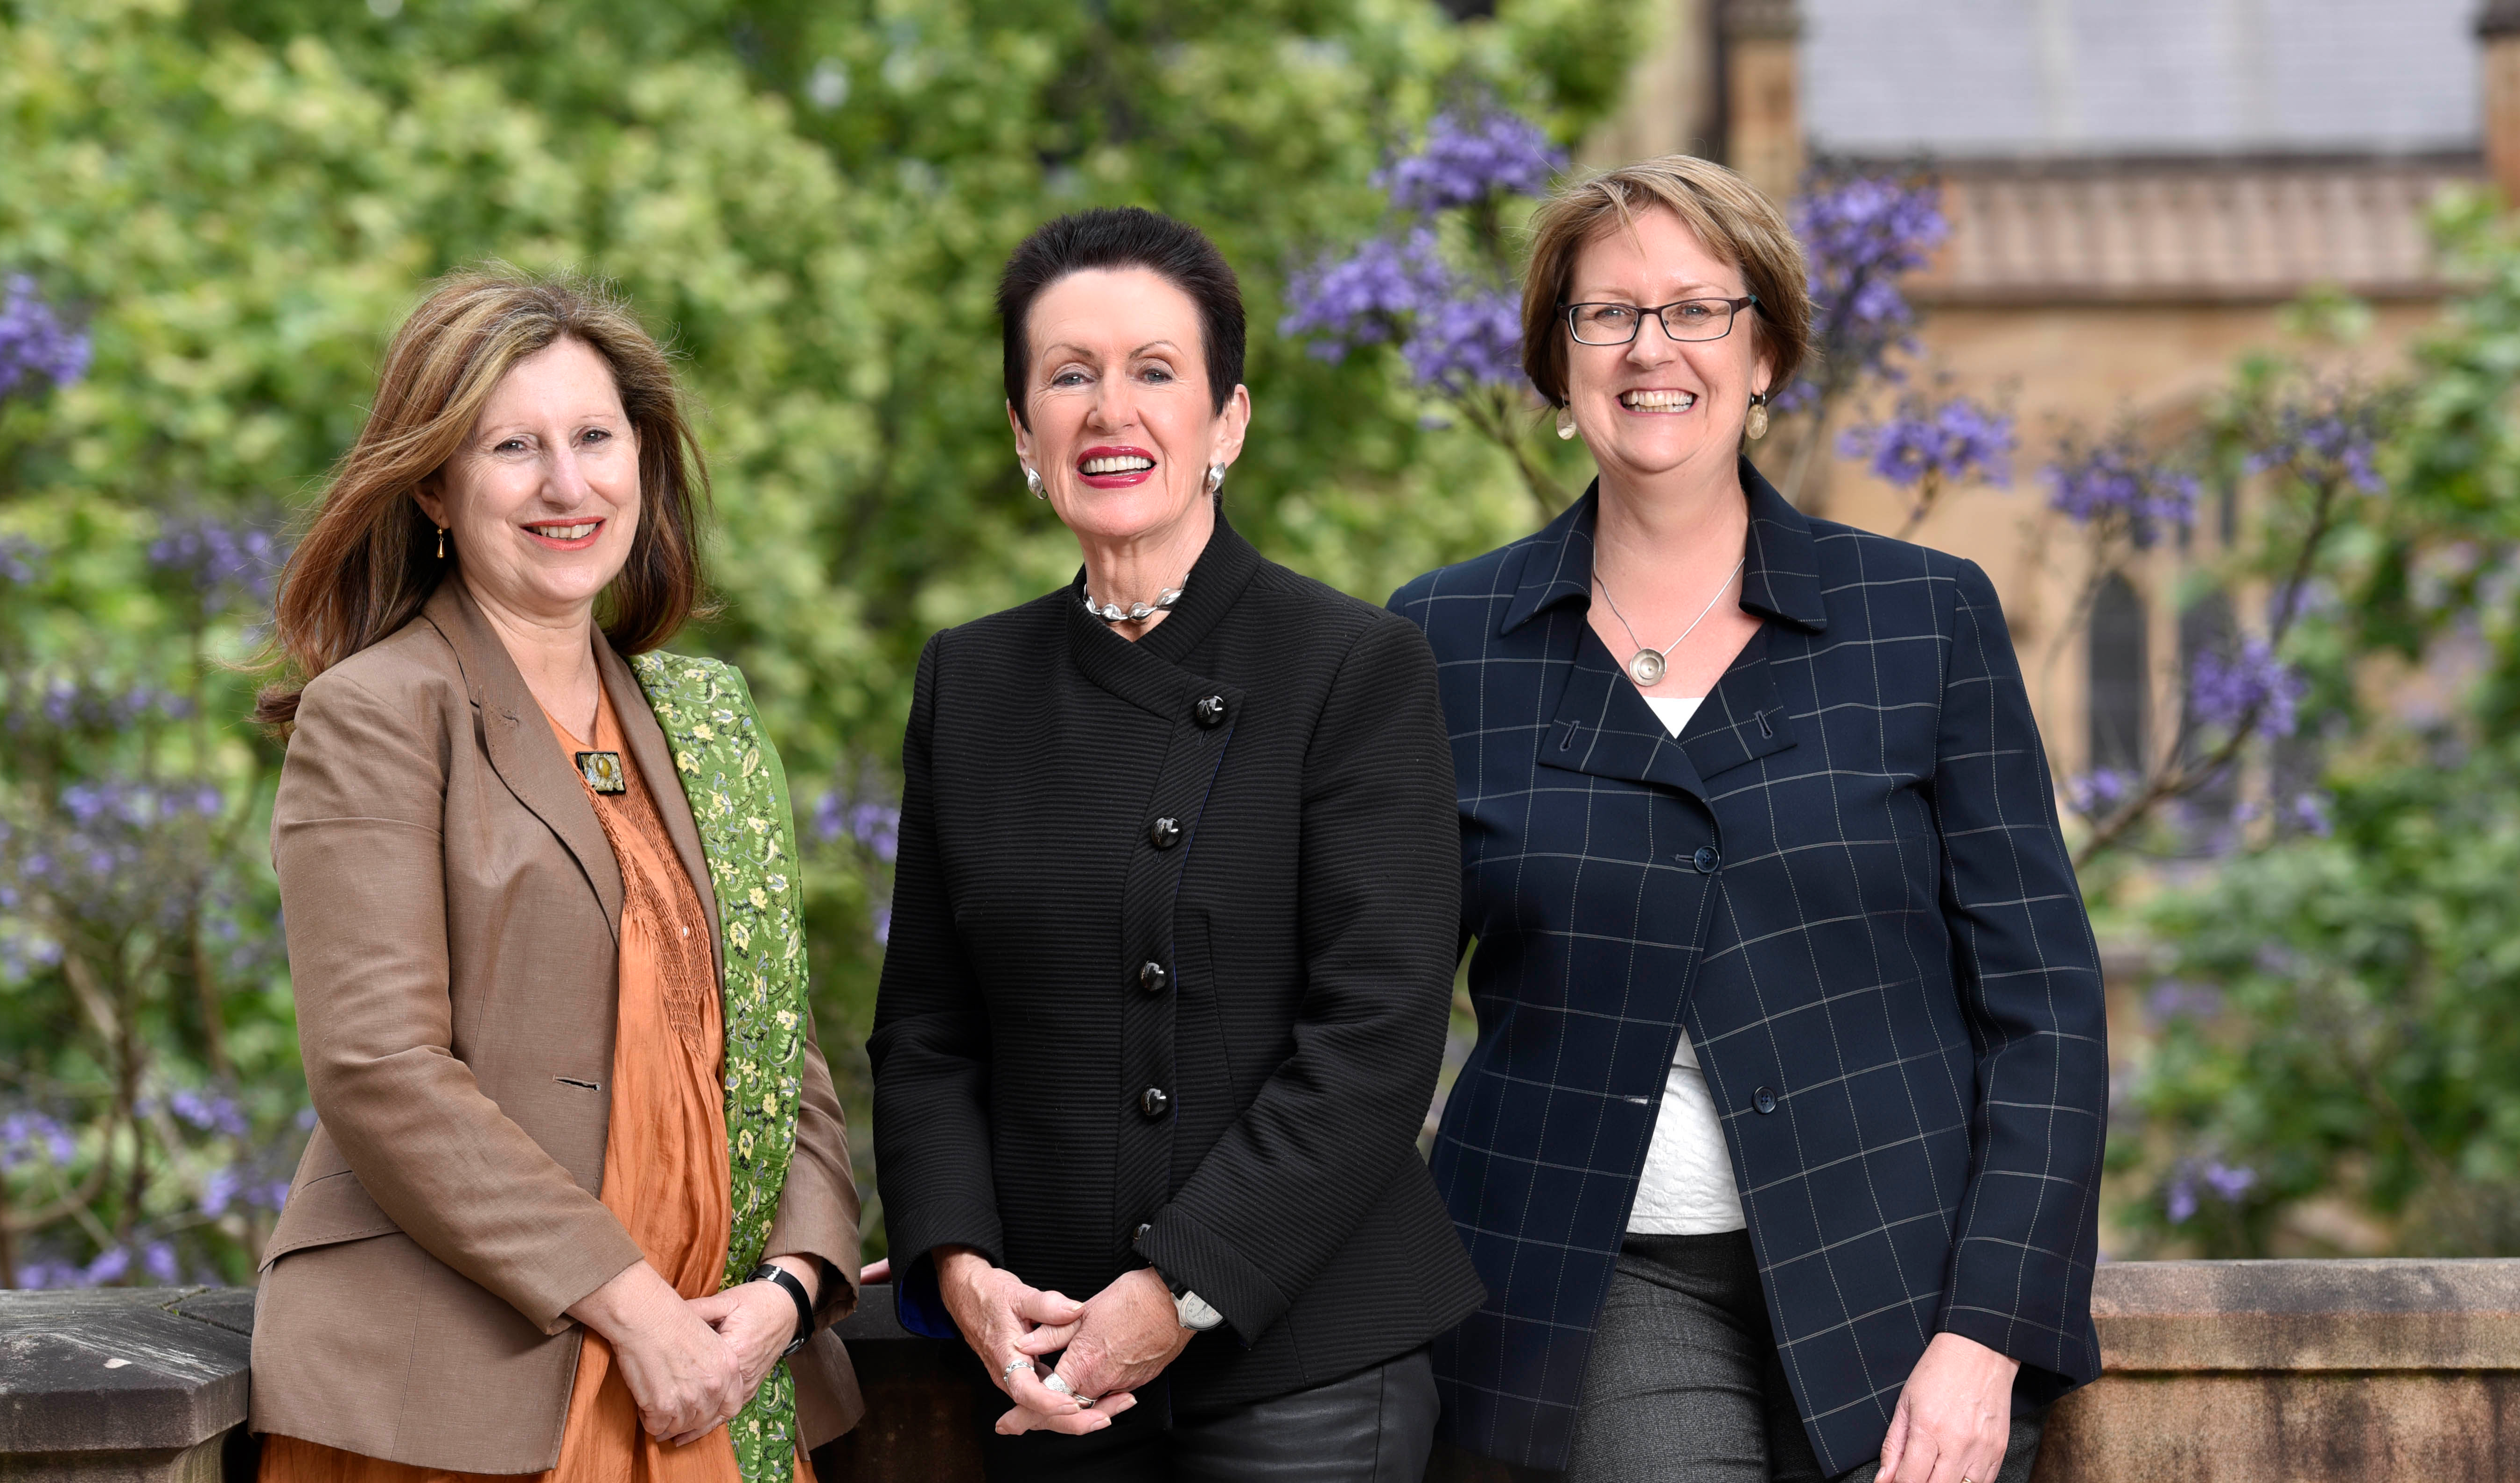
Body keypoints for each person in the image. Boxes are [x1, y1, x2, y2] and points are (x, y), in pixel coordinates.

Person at [1390, 155, 2108, 1483]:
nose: (1649, 347)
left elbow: (2045, 1005)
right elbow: (1359, 1006)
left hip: (1903, 1277)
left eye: (1696, 310)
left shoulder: (1923, 619)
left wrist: (1989, 1331)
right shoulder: (1442, 641)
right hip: (1595, 1283)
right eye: (1605, 314)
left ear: (1765, 348)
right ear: (1557, 363)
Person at [867, 206, 1484, 1482]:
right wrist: (959, 1265)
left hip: (1304, 1363)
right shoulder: (967, 681)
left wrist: (1177, 1291)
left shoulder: (1352, 667)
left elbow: (1374, 1035)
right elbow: (927, 1028)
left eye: (1156, 371)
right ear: (1022, 429)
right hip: (1048, 1361)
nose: (1112, 410)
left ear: (1229, 423)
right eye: (1069, 375)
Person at [249, 269, 864, 1483]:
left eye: (594, 437)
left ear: (642, 459)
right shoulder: (378, 714)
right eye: (513, 447)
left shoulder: (700, 720)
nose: (567, 485)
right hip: (475, 1398)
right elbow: (379, 1067)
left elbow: (777, 1037)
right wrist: (634, 1309)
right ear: (433, 482)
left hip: (717, 1382)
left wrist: (793, 1286)